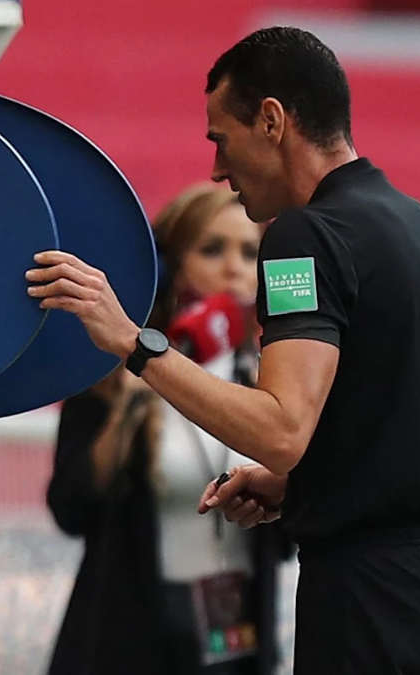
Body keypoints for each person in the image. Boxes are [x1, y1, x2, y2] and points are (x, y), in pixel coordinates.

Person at [26, 26, 420, 675]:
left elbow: (281, 430)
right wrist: (305, 487)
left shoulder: (302, 238)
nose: (217, 170)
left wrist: (133, 343)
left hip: (369, 607)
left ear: (272, 121)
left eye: (221, 140)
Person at [44, 183, 293, 675]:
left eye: (249, 253)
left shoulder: (274, 381)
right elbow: (71, 509)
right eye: (213, 249)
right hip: (125, 641)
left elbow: (290, 536)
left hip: (235, 641)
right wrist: (129, 405)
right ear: (169, 264)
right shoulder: (112, 372)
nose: (234, 269)